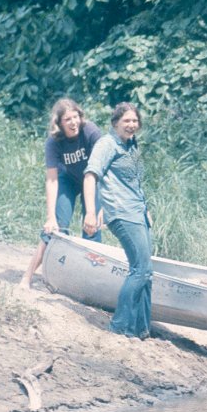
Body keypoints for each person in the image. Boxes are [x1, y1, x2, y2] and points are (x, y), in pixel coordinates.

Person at [82, 103, 153, 339]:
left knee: (147, 272)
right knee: (139, 270)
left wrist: (145, 208)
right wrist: (91, 213)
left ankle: (140, 329)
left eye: (135, 121)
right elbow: (91, 176)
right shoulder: (107, 144)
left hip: (138, 212)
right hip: (122, 213)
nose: (132, 125)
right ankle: (119, 326)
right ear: (115, 123)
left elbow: (133, 183)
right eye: (126, 121)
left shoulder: (131, 145)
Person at [19, 98, 103, 290]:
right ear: (59, 123)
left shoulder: (90, 132)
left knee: (91, 227)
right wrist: (50, 218)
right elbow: (52, 180)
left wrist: (99, 208)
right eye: (68, 119)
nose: (73, 123)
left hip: (92, 179)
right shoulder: (54, 142)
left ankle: (88, 284)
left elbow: (105, 167)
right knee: (55, 228)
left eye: (76, 117)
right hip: (68, 180)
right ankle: (27, 276)